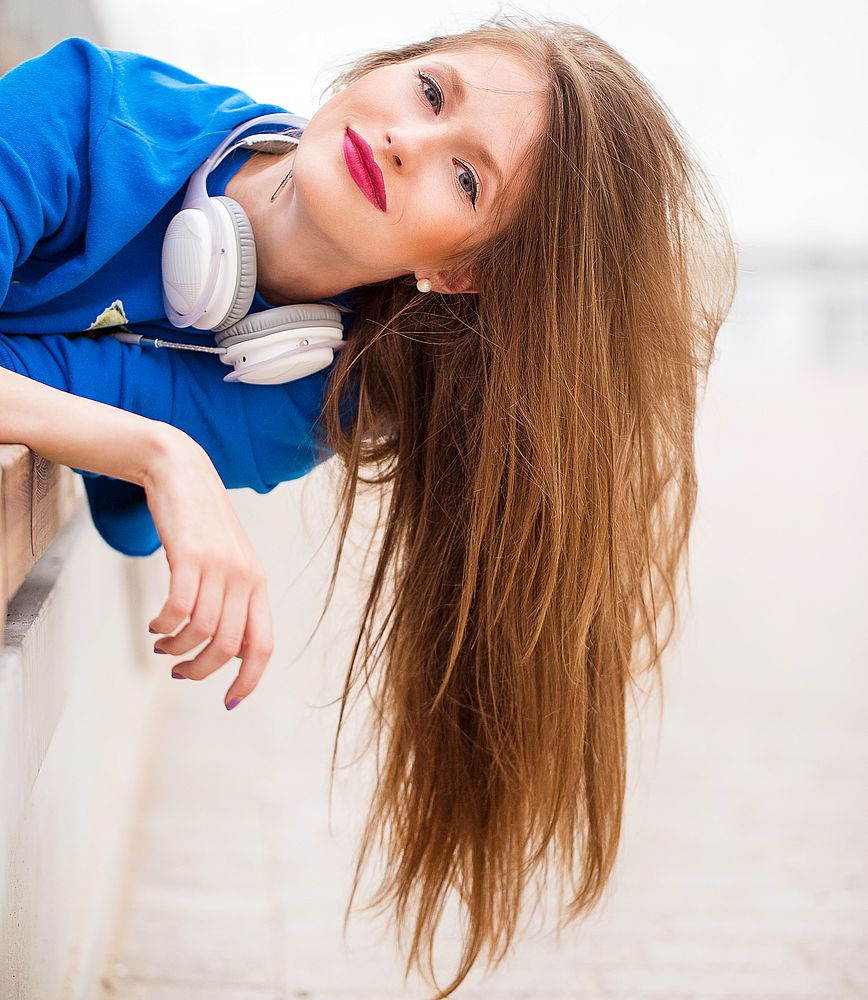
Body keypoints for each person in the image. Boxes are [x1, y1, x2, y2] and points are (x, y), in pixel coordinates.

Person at [0, 13, 736, 998]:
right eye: (432, 93)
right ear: (388, 68)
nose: (406, 137)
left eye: (465, 178)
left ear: (458, 270)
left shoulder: (302, 403)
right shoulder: (88, 112)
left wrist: (142, 454)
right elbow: (107, 447)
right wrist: (160, 454)